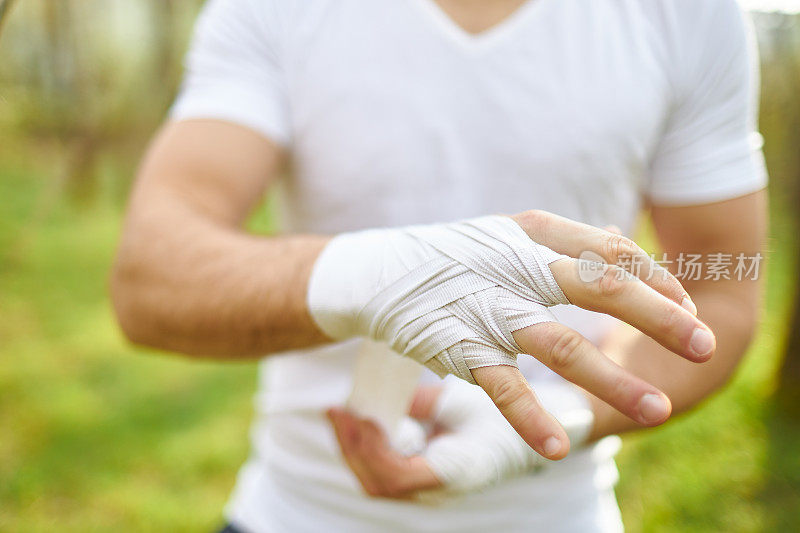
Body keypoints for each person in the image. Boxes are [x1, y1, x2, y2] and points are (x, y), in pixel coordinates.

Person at [110, 0, 767, 531]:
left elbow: (724, 290)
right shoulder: (273, 10)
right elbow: (150, 276)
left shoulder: (690, 13)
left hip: (558, 513)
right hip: (298, 511)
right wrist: (374, 276)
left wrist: (567, 410)